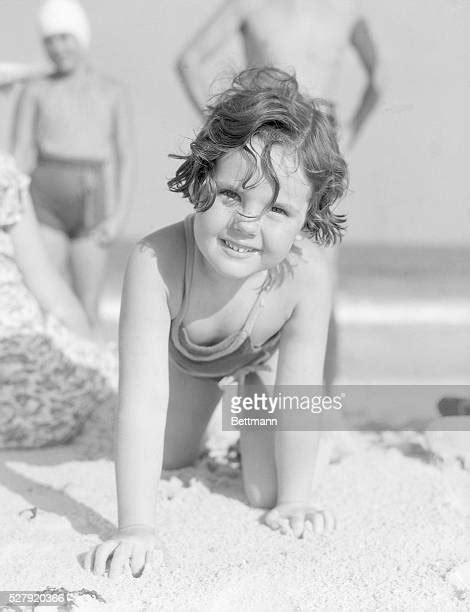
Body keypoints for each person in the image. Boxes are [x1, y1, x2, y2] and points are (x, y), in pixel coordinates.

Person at [85, 67, 348, 579]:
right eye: (232, 195)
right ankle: (223, 414)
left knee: (264, 493)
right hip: (190, 361)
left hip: (266, 362)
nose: (247, 223)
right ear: (202, 177)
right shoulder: (156, 260)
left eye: (277, 209)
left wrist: (295, 500)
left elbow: (300, 391)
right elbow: (141, 399)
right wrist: (135, 526)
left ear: (307, 217)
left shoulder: (306, 274)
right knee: (170, 458)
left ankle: (308, 435)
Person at [176, 0, 380, 389]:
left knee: (267, 269)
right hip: (311, 143)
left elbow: (190, 62)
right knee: (315, 274)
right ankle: (309, 403)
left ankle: (293, 403)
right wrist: (350, 129)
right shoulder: (343, 9)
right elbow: (381, 77)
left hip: (277, 145)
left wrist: (228, 131)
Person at [10, 0, 135, 327]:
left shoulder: (112, 92)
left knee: (87, 308)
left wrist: (119, 215)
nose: (58, 48)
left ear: (81, 37)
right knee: (46, 303)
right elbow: (20, 153)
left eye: (64, 38)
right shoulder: (35, 90)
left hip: (92, 205)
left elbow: (126, 156)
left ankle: (93, 375)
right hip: (44, 202)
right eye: (49, 40)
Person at [0, 151, 116, 448]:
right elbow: (47, 286)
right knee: (104, 379)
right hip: (30, 377)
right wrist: (94, 353)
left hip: (19, 366)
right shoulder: (5, 174)